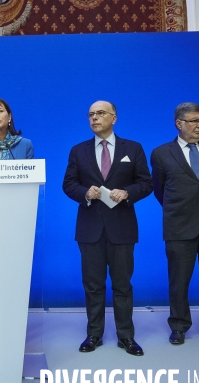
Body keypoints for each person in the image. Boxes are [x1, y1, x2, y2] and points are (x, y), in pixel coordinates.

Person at [62, 100, 152, 356]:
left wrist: (127, 192)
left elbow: (146, 183)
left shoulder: (132, 149)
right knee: (93, 285)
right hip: (90, 230)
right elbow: (68, 185)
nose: (94, 118)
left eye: (100, 113)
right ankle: (94, 334)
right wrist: (84, 192)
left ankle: (126, 337)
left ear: (114, 118)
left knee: (123, 285)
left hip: (122, 228)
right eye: (90, 114)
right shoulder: (78, 151)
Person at [150, 102, 199, 348]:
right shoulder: (161, 153)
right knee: (179, 281)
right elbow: (159, 190)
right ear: (179, 124)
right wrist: (184, 210)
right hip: (179, 226)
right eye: (194, 121)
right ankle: (178, 326)